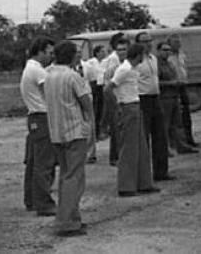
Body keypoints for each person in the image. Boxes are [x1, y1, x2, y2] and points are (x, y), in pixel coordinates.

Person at [45, 41, 92, 237]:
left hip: (57, 132)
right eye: (78, 53)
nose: (80, 56)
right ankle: (66, 222)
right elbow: (86, 102)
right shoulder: (72, 76)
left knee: (66, 176)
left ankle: (72, 218)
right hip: (74, 131)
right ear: (71, 56)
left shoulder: (48, 76)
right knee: (75, 178)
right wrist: (89, 124)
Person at [108, 42, 159, 198]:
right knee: (129, 148)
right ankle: (126, 185)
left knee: (141, 146)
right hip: (127, 106)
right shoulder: (123, 70)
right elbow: (108, 88)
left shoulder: (132, 69)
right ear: (138, 55)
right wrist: (117, 105)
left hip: (135, 106)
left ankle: (144, 182)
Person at [20, 36, 56, 216]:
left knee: (34, 161)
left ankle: (32, 199)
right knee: (44, 163)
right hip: (42, 116)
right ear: (40, 51)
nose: (51, 56)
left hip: (35, 117)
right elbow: (49, 94)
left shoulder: (30, 68)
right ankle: (44, 203)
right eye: (49, 53)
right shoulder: (38, 71)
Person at [134, 31, 173, 182]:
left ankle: (161, 172)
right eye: (144, 41)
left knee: (160, 136)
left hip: (156, 98)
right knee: (143, 138)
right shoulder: (135, 61)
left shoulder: (153, 59)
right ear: (137, 43)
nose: (148, 44)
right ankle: (143, 175)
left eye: (149, 41)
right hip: (142, 100)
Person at [156, 41, 198, 155]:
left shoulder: (170, 64)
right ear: (158, 51)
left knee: (178, 124)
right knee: (165, 125)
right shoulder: (156, 65)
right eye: (164, 50)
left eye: (168, 50)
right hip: (164, 98)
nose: (167, 52)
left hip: (175, 96)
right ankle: (165, 148)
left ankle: (182, 146)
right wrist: (171, 83)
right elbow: (156, 83)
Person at [167, 34, 198, 147]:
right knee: (177, 116)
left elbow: (185, 67)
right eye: (175, 43)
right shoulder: (168, 57)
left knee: (186, 114)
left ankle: (189, 139)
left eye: (179, 43)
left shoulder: (182, 55)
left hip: (183, 85)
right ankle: (179, 141)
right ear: (169, 44)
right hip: (174, 87)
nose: (178, 45)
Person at [101, 34, 127, 166]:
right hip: (114, 96)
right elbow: (108, 79)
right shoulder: (114, 60)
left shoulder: (121, 60)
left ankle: (117, 155)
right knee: (117, 127)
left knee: (119, 127)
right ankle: (116, 157)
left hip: (119, 95)